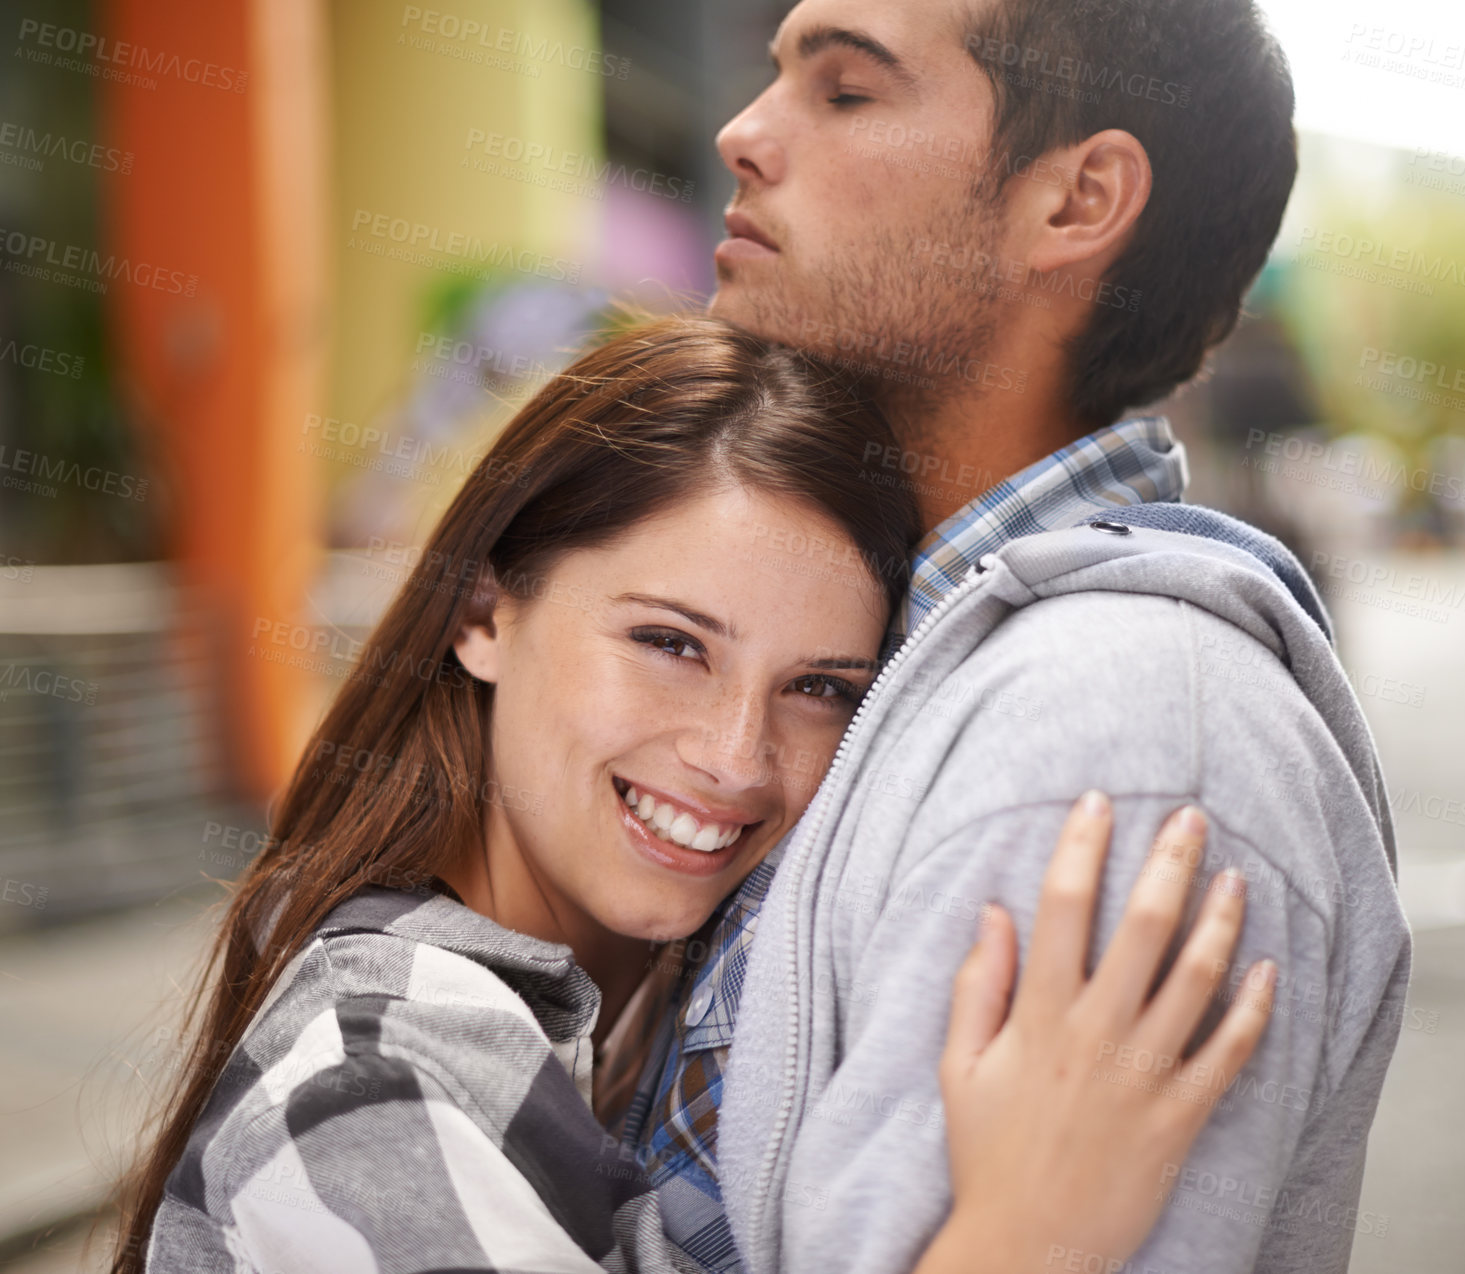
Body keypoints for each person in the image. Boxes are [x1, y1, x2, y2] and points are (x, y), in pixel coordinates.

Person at [112, 316, 1276, 1274]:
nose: (735, 755)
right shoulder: (367, 1080)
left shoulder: (618, 1030)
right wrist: (1022, 1234)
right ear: (482, 615)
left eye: (819, 686)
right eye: (671, 642)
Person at [622, 3, 1413, 1273]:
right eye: (776, 74)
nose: (741, 133)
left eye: (845, 91)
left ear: (1077, 200)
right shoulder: (891, 640)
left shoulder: (1121, 736)